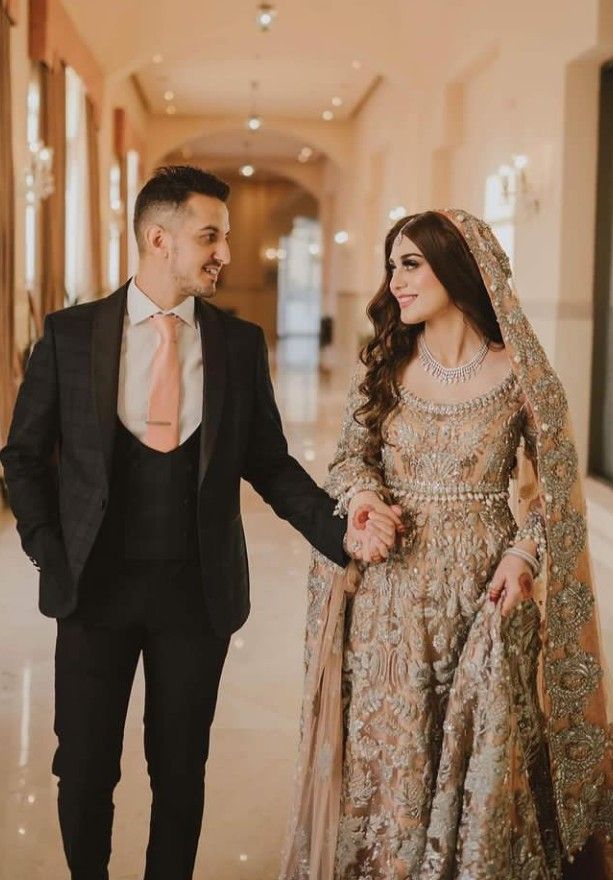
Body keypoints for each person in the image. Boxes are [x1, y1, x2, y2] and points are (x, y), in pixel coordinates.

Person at [0, 164, 401, 880]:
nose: (225, 252)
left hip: (197, 593)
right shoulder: (67, 336)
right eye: (209, 236)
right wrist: (47, 553)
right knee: (85, 771)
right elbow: (23, 458)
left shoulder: (237, 345)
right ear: (159, 238)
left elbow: (270, 463)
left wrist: (337, 529)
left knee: (180, 771)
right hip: (91, 591)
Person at [280, 210, 611, 879]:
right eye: (391, 266)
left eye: (410, 264)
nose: (395, 281)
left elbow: (553, 494)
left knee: (474, 758)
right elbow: (349, 459)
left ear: (457, 269)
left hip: (482, 598)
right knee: (394, 755)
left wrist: (522, 555)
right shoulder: (384, 363)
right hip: (388, 603)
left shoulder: (521, 375)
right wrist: (365, 500)